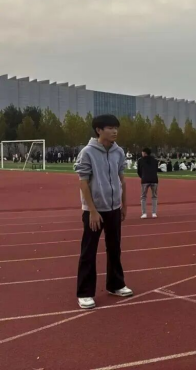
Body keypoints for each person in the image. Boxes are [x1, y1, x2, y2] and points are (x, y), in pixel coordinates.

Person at [74, 115, 133, 310]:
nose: (115, 131)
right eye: (110, 128)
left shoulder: (118, 152)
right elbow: (83, 183)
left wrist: (124, 205)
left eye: (116, 127)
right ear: (99, 130)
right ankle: (85, 293)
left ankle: (116, 284)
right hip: (94, 210)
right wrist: (92, 210)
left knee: (114, 248)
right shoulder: (87, 152)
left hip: (114, 208)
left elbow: (122, 180)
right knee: (89, 251)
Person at [137, 148, 159, 220]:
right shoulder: (155, 160)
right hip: (154, 179)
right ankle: (154, 213)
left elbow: (139, 171)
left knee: (143, 197)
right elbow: (156, 169)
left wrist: (143, 176)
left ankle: (144, 213)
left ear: (144, 153)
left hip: (145, 179)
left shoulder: (140, 160)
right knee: (154, 196)